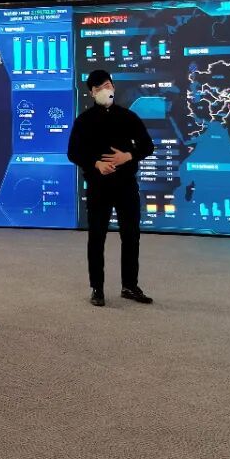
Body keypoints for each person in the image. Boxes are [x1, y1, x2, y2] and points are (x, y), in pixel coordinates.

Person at [67, 69, 155, 307]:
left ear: (113, 87)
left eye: (107, 85)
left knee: (131, 235)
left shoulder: (128, 117)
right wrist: (96, 164)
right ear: (92, 93)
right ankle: (97, 288)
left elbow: (148, 146)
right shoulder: (83, 121)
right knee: (97, 237)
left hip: (126, 185)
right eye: (98, 88)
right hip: (98, 187)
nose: (104, 91)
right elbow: (73, 152)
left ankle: (130, 285)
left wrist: (128, 156)